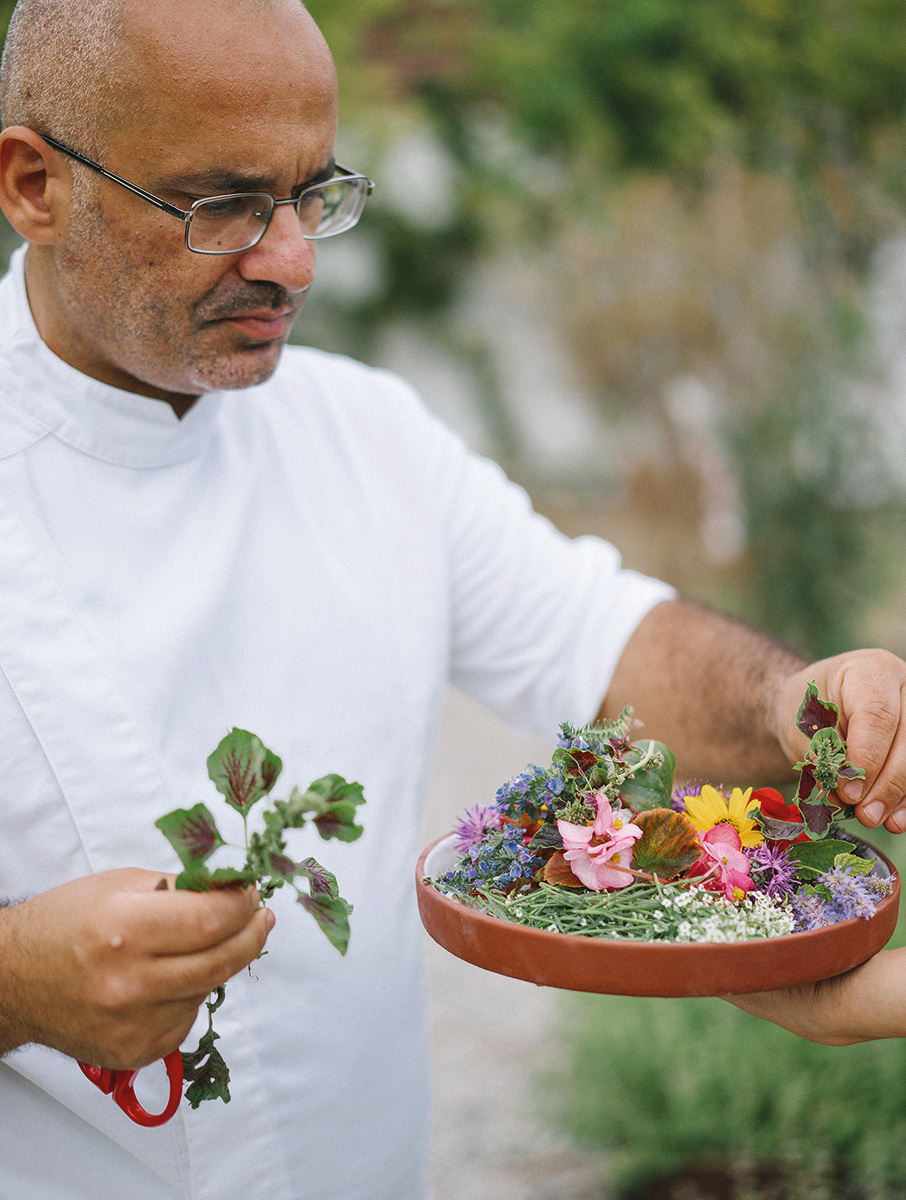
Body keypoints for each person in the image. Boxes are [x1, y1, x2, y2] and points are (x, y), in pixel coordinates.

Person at [0, 0, 903, 1197]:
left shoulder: (364, 433)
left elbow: (599, 637)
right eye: (223, 205)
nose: (294, 259)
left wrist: (797, 697)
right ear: (32, 185)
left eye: (313, 194)